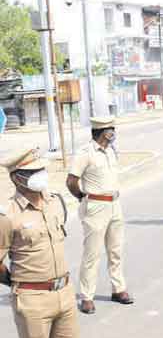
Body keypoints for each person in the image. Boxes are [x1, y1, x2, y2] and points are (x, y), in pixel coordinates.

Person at [1, 148, 110, 338]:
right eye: (33, 172)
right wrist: (21, 284)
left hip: (64, 293)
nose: (41, 176)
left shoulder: (55, 202)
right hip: (32, 298)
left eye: (41, 170)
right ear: (17, 178)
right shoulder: (7, 215)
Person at [66, 117, 132, 315]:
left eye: (112, 128)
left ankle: (118, 289)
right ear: (101, 132)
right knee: (92, 254)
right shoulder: (85, 153)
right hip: (95, 206)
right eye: (110, 129)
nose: (113, 132)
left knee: (116, 251)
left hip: (115, 204)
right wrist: (82, 197)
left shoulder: (111, 151)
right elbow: (71, 181)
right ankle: (87, 297)